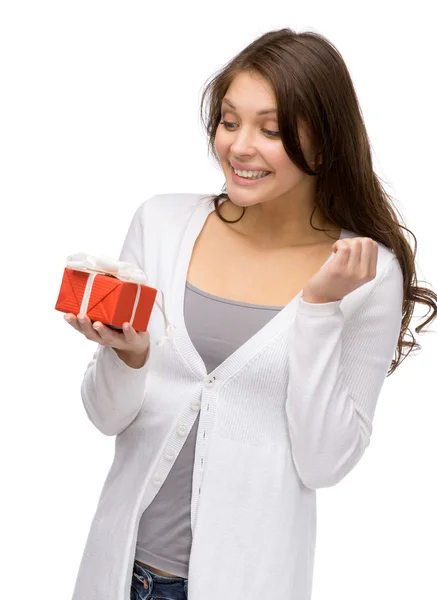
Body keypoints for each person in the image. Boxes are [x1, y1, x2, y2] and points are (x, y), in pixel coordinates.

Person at [64, 28, 436, 600]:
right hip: (118, 573)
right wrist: (130, 355)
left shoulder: (366, 274)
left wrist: (319, 308)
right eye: (229, 121)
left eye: (272, 130)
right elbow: (105, 415)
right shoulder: (160, 224)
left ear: (326, 141)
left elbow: (324, 463)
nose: (239, 147)